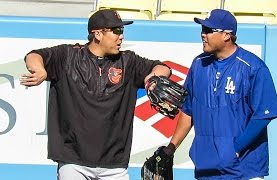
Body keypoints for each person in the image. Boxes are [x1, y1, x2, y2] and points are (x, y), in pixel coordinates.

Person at [20, 9, 171, 180]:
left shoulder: (128, 62)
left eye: (121, 31)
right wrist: (39, 69)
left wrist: (154, 77)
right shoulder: (68, 56)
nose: (121, 36)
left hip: (114, 165)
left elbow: (162, 67)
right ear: (98, 34)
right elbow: (34, 55)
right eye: (116, 31)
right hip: (73, 162)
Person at [161, 9, 277, 179]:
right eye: (203, 30)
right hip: (207, 168)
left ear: (227, 35)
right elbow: (188, 112)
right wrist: (171, 148)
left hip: (244, 169)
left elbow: (264, 114)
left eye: (209, 31)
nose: (203, 35)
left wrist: (236, 148)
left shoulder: (253, 67)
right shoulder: (199, 65)